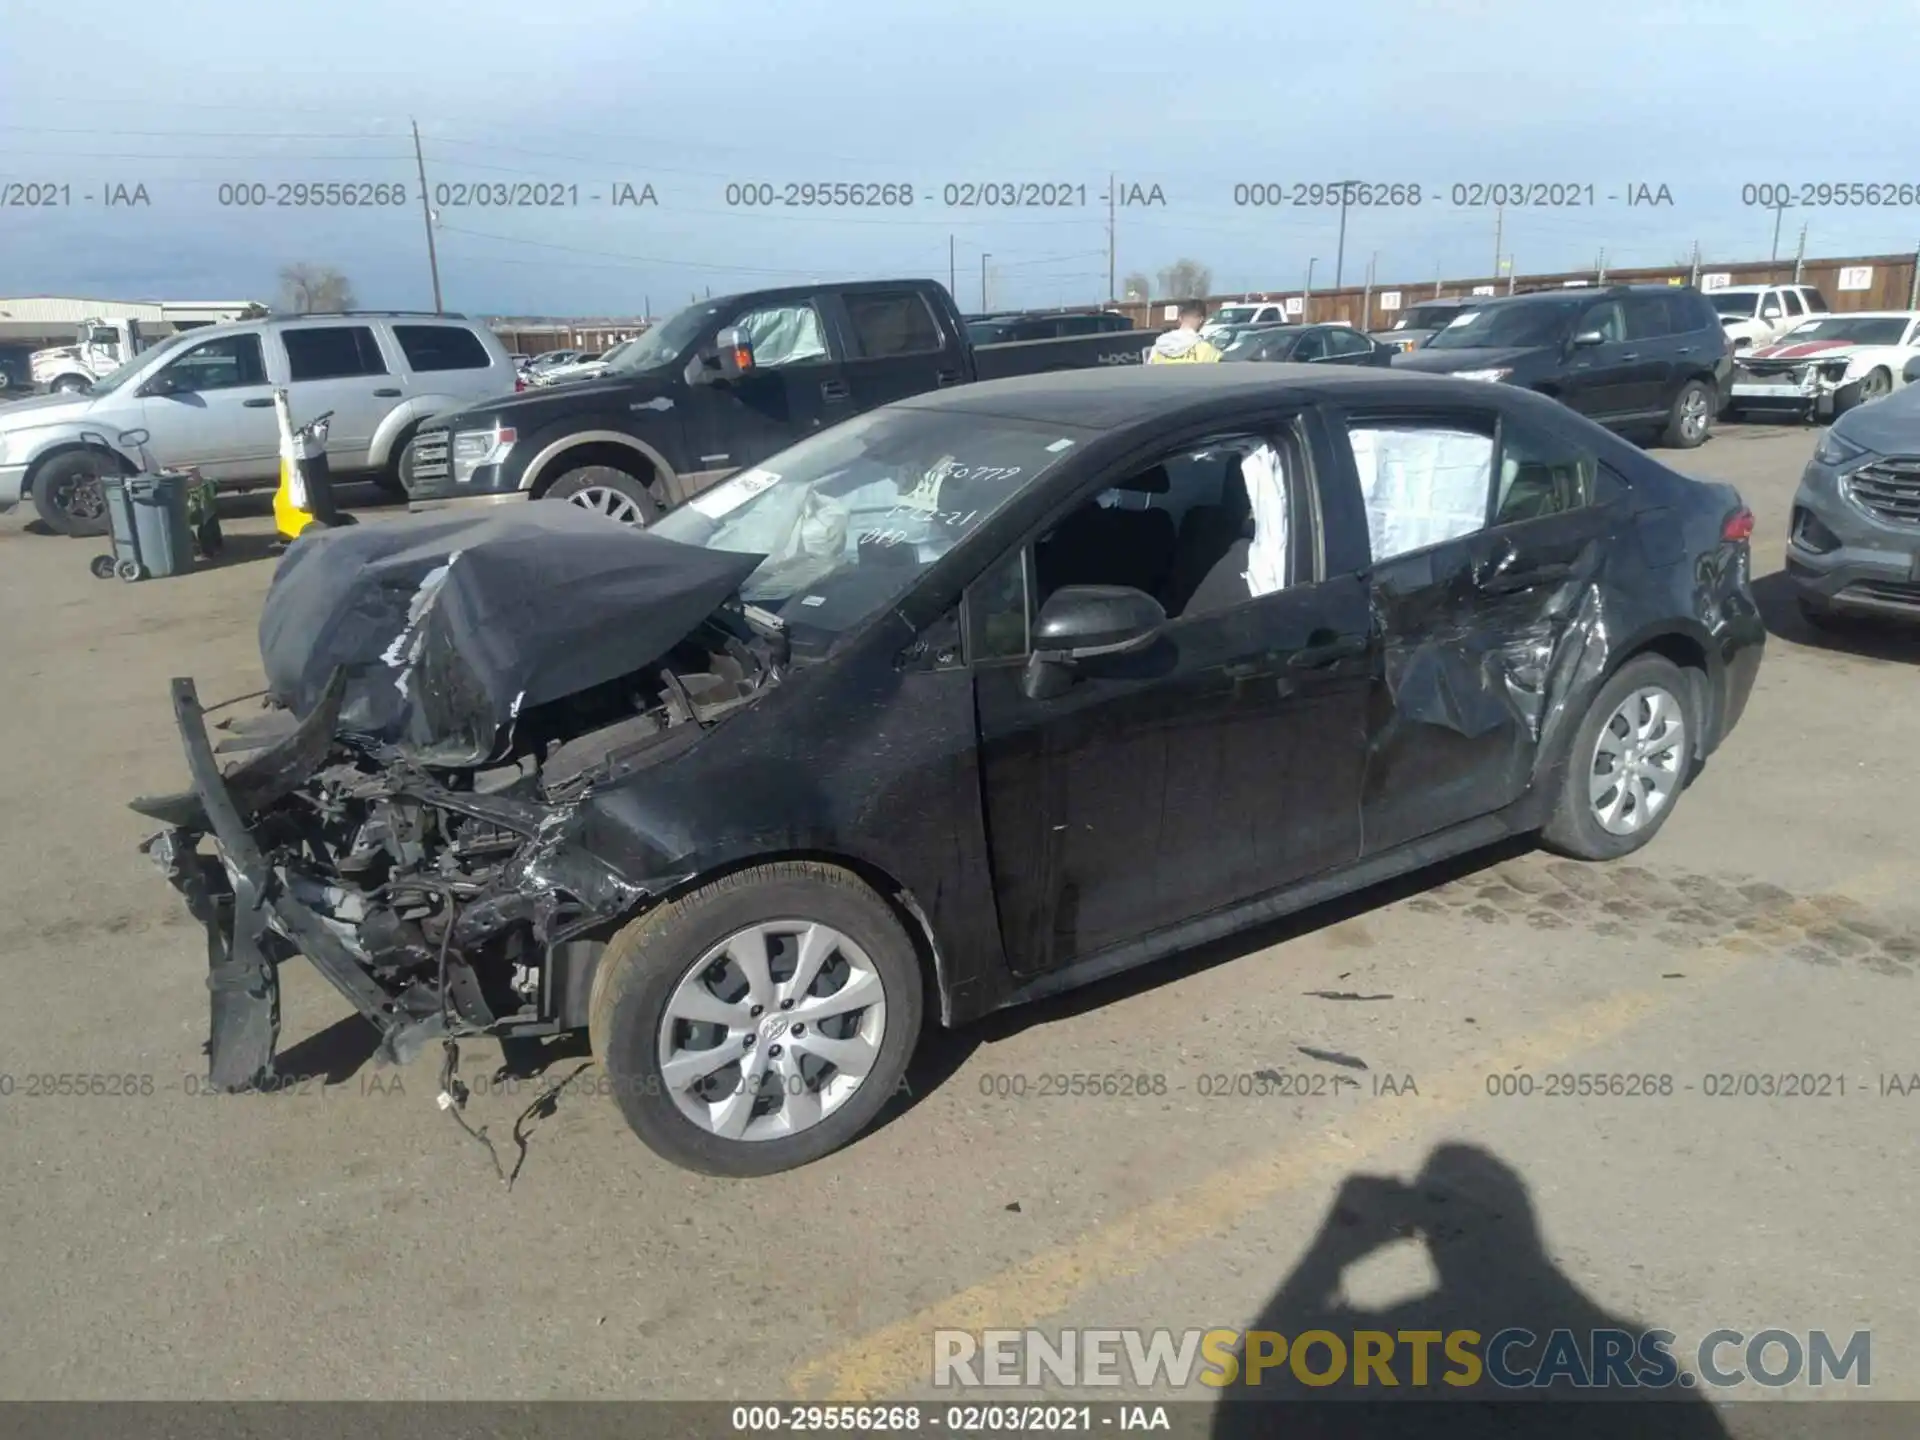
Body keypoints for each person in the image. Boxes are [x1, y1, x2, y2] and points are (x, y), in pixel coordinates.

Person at [1146, 300, 1223, 363]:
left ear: (1180, 318)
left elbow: (1148, 374)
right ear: (1201, 320)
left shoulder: (1159, 346)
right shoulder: (1207, 351)